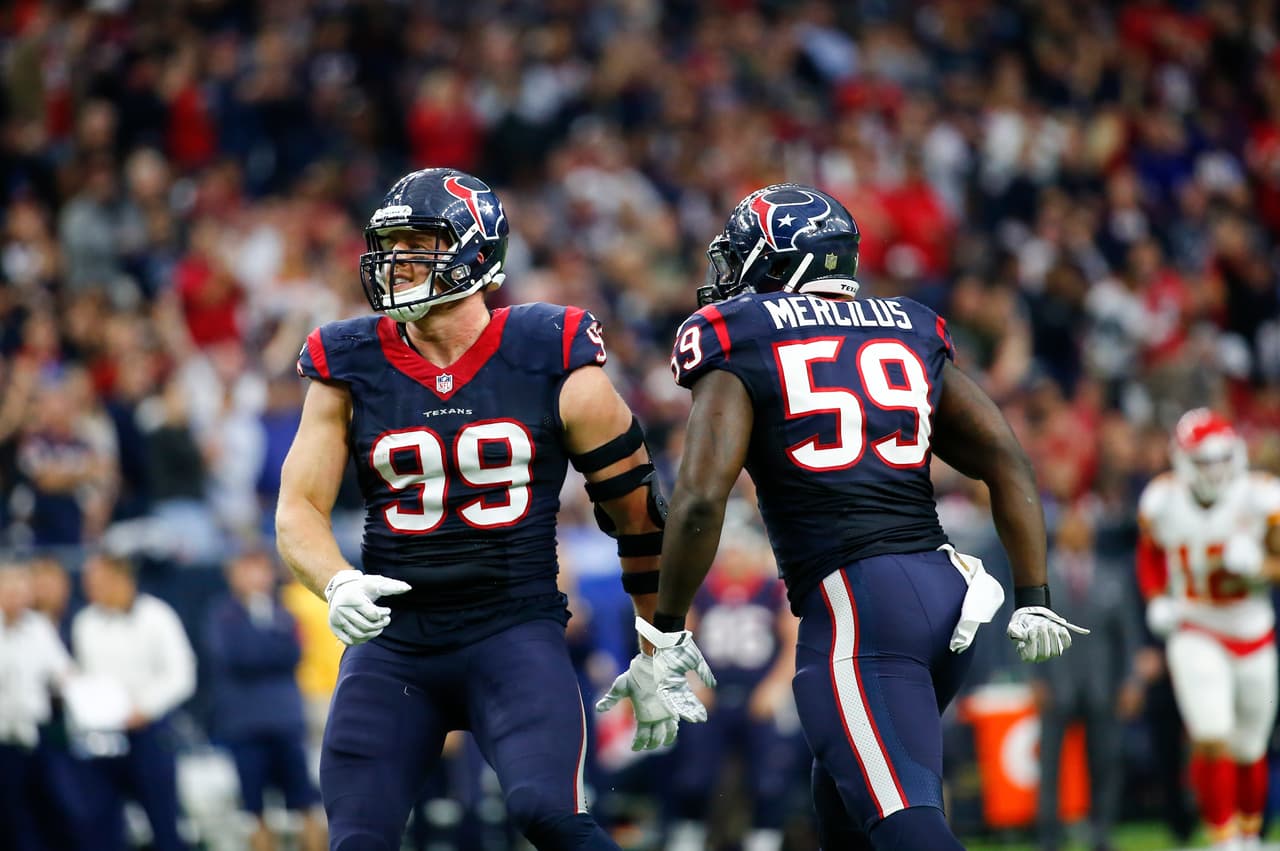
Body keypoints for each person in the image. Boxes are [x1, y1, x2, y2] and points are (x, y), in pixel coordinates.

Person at [619, 184, 1088, 850]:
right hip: (942, 595)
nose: (725, 278)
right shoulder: (909, 322)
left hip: (859, 610)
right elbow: (1007, 458)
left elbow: (698, 499)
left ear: (782, 264)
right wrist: (1034, 595)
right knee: (842, 805)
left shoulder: (741, 334)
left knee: (906, 825)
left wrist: (664, 632)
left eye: (739, 259)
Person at [275, 167, 695, 851]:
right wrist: (336, 579)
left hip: (512, 629)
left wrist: (657, 646)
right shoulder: (346, 362)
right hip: (394, 642)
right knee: (356, 838)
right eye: (392, 244)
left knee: (547, 813)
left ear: (475, 254)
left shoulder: (549, 353)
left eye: (419, 243)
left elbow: (640, 517)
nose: (396, 262)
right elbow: (297, 509)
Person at [1136, 408, 1280, 851]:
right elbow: (1150, 556)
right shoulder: (1161, 499)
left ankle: (1249, 835)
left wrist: (1258, 566)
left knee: (1250, 746)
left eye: (1220, 459)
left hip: (1253, 628)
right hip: (1195, 626)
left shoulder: (1261, 496)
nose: (1214, 470)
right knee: (1212, 733)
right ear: (1182, 459)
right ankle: (1223, 838)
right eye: (1203, 460)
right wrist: (1157, 597)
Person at [1031, 505, 1149, 851]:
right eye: (1072, 528)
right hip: (1056, 682)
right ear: (1060, 535)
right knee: (1050, 765)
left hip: (1103, 684)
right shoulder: (1041, 576)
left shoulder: (1113, 575)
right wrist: (1035, 678)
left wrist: (1131, 681)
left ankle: (1102, 834)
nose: (1079, 534)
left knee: (1105, 762)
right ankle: (1048, 837)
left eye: (1084, 528)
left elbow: (1128, 635)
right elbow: (1026, 628)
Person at [71, 551, 197, 851]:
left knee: (163, 822)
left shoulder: (157, 616)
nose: (90, 587)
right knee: (103, 824)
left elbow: (182, 674)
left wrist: (145, 709)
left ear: (120, 578)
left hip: (149, 733)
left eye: (97, 579)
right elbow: (87, 676)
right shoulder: (85, 623)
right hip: (102, 737)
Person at [203, 548, 326, 851]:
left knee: (305, 803)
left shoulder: (285, 611)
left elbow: (294, 653)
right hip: (244, 723)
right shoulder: (220, 614)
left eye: (260, 570)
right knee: (254, 810)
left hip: (285, 720)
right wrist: (268, 646)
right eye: (246, 570)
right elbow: (234, 657)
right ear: (232, 575)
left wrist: (261, 645)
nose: (254, 578)